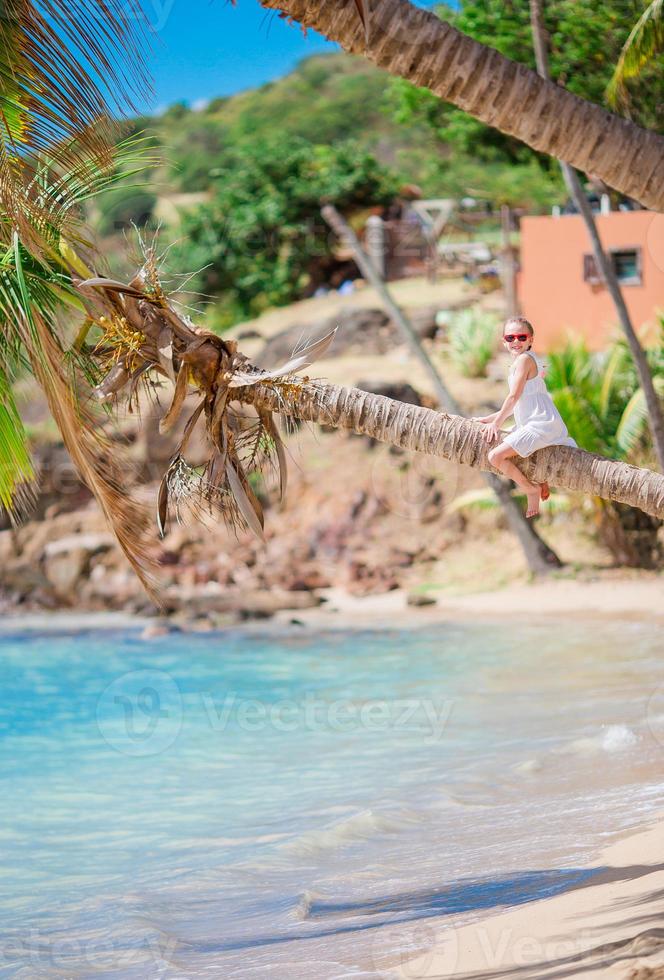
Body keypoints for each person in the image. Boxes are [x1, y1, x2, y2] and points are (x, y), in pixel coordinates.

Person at [473, 315, 576, 519]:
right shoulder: (524, 362)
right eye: (510, 338)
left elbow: (513, 397)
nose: (516, 342)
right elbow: (517, 404)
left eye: (521, 337)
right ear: (504, 342)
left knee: (495, 456)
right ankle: (541, 481)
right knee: (515, 452)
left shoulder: (524, 360)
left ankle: (529, 489)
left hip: (540, 424)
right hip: (535, 422)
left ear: (531, 339)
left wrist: (496, 424)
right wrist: (488, 419)